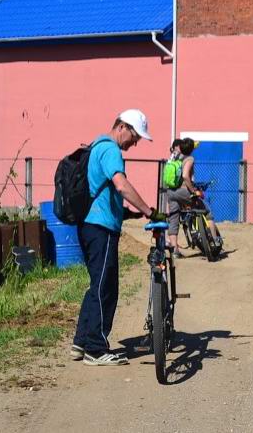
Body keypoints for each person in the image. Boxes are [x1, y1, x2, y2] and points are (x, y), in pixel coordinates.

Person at [71, 109, 156, 365]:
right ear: (122, 127)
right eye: (134, 135)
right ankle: (96, 349)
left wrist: (128, 214)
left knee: (97, 284)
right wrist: (148, 211)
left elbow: (105, 192)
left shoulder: (96, 145)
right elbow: (120, 185)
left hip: (90, 225)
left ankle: (81, 341)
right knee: (105, 287)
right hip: (101, 228)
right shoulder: (110, 150)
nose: (135, 142)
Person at [165, 138, 223, 254]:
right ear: (191, 149)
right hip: (183, 191)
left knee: (174, 219)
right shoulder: (189, 158)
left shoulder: (174, 157)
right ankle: (215, 239)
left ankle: (174, 250)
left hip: (171, 192)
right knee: (206, 211)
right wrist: (193, 191)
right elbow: (186, 176)